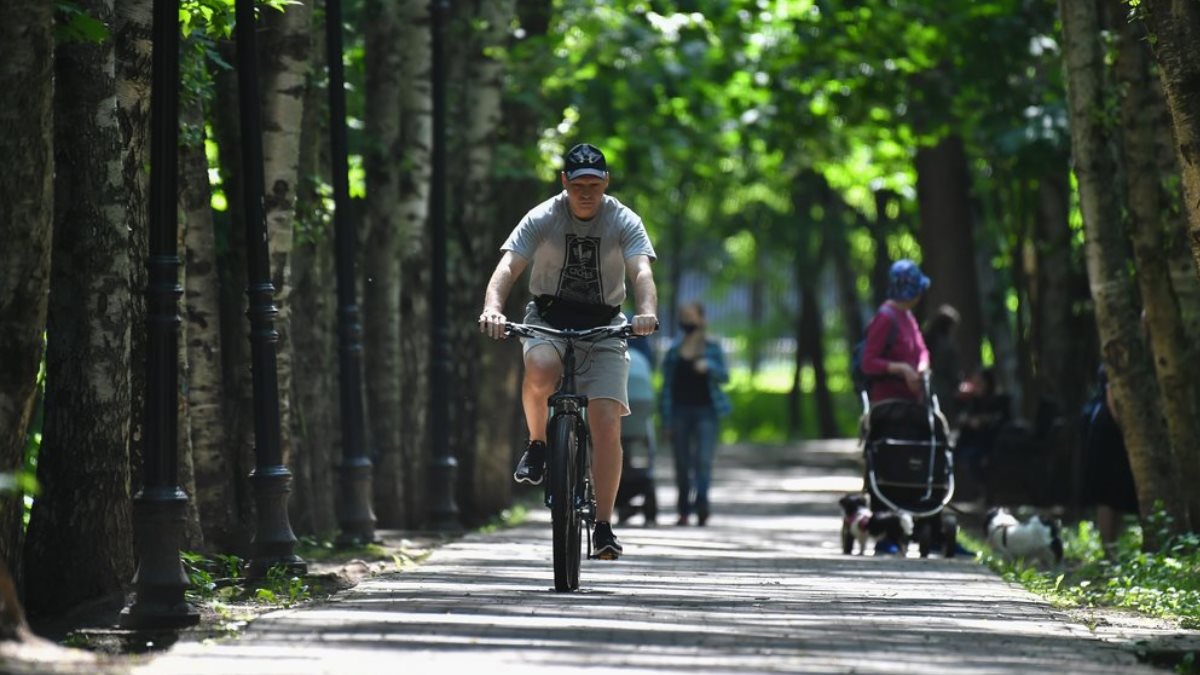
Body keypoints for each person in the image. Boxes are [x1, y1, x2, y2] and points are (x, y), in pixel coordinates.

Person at [478, 143, 658, 561]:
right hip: (548, 316)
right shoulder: (543, 216)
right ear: (565, 183)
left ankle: (604, 526)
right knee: (540, 365)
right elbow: (508, 267)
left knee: (606, 419)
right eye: (579, 185)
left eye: (595, 184)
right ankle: (539, 444)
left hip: (605, 322)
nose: (587, 193)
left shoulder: (624, 219)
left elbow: (641, 270)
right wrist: (493, 308)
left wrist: (646, 312)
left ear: (606, 182)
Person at [659, 302, 731, 526]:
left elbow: (725, 377)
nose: (687, 321)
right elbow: (667, 386)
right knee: (681, 463)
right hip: (679, 411)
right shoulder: (673, 350)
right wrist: (666, 419)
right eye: (684, 317)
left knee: (703, 461)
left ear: (702, 319)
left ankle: (702, 504)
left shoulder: (712, 347)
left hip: (707, 412)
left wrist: (709, 366)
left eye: (691, 317)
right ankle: (683, 510)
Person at [1081, 367, 1138, 554]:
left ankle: (1112, 547)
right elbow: (1112, 397)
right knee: (1107, 495)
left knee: (1117, 496)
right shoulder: (1114, 366)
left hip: (1112, 436)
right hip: (1108, 436)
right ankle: (1108, 549)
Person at [860, 259, 931, 403]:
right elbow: (868, 363)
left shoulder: (908, 315)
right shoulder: (885, 318)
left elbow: (922, 349)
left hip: (913, 403)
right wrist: (902, 369)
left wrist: (922, 367)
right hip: (889, 407)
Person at [954, 367, 1012, 494]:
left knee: (973, 459)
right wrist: (968, 421)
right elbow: (962, 417)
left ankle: (985, 491)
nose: (976, 385)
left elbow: (1003, 420)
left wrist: (983, 421)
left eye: (979, 382)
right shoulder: (972, 401)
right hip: (970, 443)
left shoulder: (1000, 400)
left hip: (991, 443)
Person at [923, 304, 963, 422]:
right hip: (944, 393)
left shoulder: (924, 342)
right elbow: (953, 372)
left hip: (926, 389)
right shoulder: (948, 347)